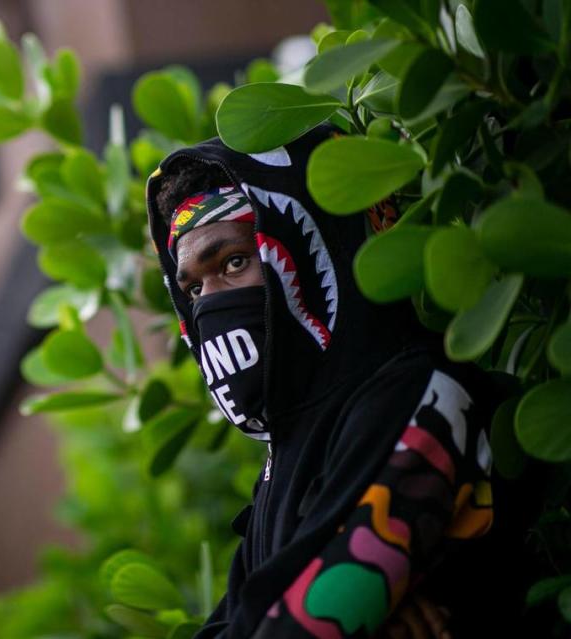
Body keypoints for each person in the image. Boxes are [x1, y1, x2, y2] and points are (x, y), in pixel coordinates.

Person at [144, 125, 531, 638]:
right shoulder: (282, 459)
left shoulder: (418, 394)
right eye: (193, 289)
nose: (210, 304)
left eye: (234, 262)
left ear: (310, 243)